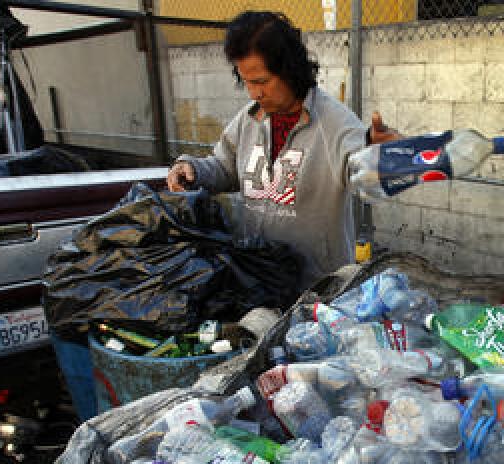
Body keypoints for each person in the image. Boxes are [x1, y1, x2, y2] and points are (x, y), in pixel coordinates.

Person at [167, 11, 400, 286]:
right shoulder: (249, 119)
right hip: (257, 278)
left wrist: (383, 158)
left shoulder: (335, 124)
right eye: (247, 82)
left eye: (261, 82)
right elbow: (224, 167)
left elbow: (365, 178)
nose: (254, 93)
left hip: (316, 289)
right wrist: (192, 169)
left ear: (289, 70)